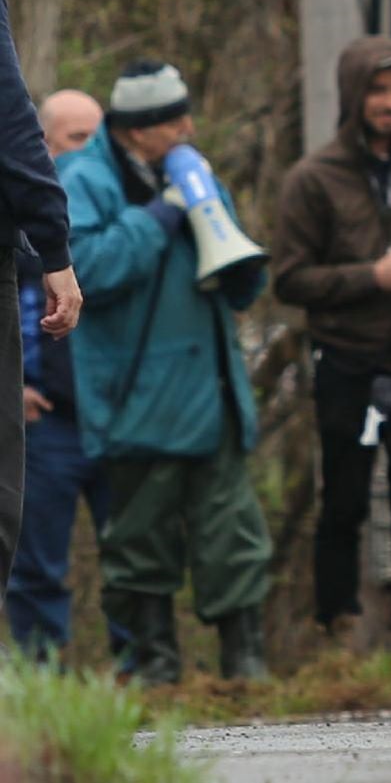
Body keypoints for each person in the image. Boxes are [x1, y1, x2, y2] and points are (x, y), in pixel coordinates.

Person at [63, 60, 272, 682]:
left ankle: (245, 663)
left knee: (233, 532)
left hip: (211, 394)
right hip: (137, 399)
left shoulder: (192, 170)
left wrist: (239, 264)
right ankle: (155, 666)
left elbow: (234, 271)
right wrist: (158, 216)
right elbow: (86, 270)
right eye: (173, 119)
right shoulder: (83, 178)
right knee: (139, 539)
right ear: (136, 130)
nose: (188, 127)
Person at [271, 37, 391, 646]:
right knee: (344, 499)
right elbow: (289, 279)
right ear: (354, 95)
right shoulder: (313, 179)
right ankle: (338, 628)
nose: (390, 103)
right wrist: (368, 277)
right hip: (347, 358)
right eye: (378, 90)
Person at [7, 91, 121, 662]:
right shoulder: (30, 227)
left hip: (113, 416)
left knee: (128, 557)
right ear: (45, 145)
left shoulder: (119, 211)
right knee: (37, 568)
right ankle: (41, 689)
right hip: (46, 418)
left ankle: (144, 683)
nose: (88, 153)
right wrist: (19, 387)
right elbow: (22, 308)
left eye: (96, 140)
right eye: (77, 140)